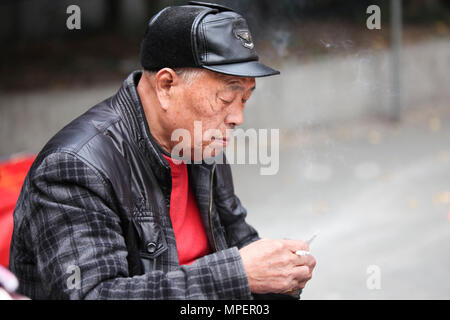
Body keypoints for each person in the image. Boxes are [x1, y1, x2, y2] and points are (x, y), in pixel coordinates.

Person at [9, 1, 316, 299]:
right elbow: (94, 293)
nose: (238, 118)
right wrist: (237, 275)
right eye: (225, 99)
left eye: (245, 99)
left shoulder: (199, 146)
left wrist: (280, 276)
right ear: (167, 85)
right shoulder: (75, 167)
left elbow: (239, 242)